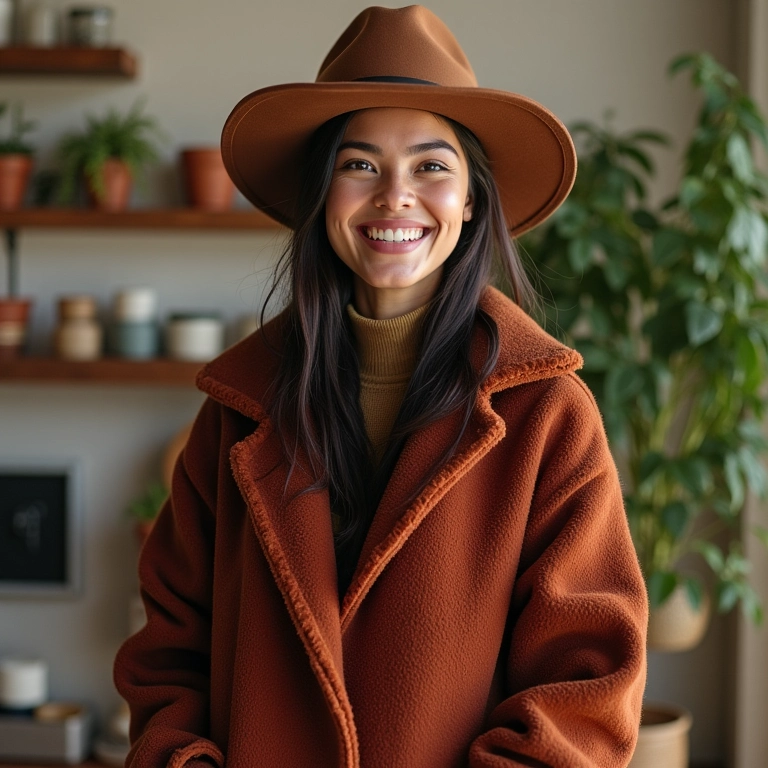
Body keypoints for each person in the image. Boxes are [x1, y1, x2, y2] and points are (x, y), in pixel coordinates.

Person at [114, 6, 647, 768]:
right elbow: (168, 653)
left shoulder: (547, 417)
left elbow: (586, 688)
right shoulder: (236, 413)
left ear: (470, 201)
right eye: (359, 164)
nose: (395, 195)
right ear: (321, 196)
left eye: (432, 166)